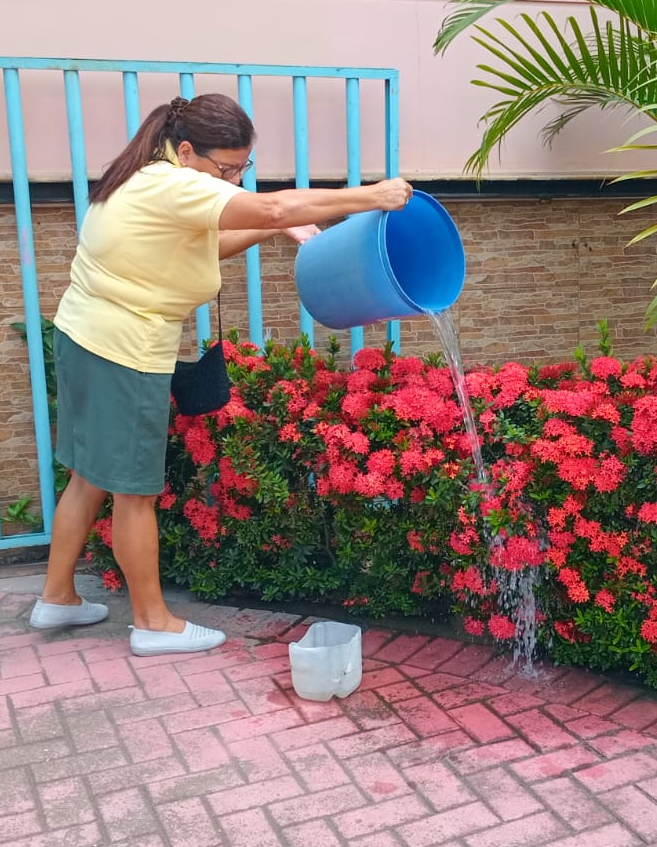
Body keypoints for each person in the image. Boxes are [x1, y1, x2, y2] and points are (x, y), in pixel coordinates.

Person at [29, 93, 413, 655]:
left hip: (86, 336)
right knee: (134, 492)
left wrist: (273, 228)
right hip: (123, 352)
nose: (234, 180)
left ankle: (57, 597)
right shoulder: (172, 184)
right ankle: (152, 623)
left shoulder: (150, 175)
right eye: (228, 169)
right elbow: (271, 208)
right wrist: (372, 196)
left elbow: (210, 243)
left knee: (88, 477)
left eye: (242, 168)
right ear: (188, 150)